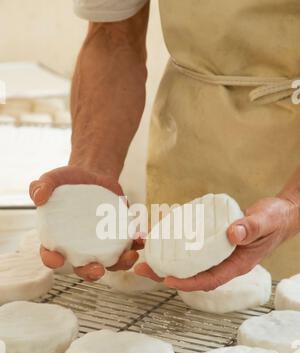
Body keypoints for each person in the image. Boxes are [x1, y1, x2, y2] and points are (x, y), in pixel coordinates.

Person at [30, 0, 300, 290]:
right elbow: (112, 37)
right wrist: (90, 174)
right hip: (188, 133)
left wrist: (293, 204)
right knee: (174, 281)